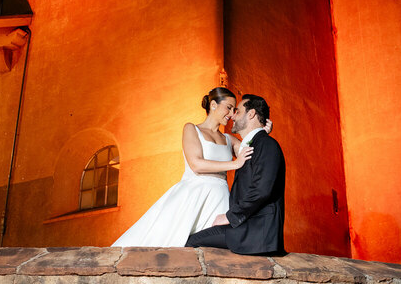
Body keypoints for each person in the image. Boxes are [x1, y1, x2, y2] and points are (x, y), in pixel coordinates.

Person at [111, 87, 255, 247]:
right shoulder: (192, 129)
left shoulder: (229, 139)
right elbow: (196, 164)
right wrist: (234, 164)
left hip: (220, 197)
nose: (231, 114)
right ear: (213, 104)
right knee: (169, 241)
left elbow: (252, 151)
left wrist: (261, 130)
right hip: (193, 194)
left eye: (234, 109)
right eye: (228, 107)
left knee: (215, 247)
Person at [185, 94, 285, 255]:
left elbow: (261, 190)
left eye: (237, 111)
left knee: (190, 244)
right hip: (245, 228)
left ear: (251, 114)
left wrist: (230, 217)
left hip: (254, 232)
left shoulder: (267, 144)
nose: (232, 115)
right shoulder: (258, 144)